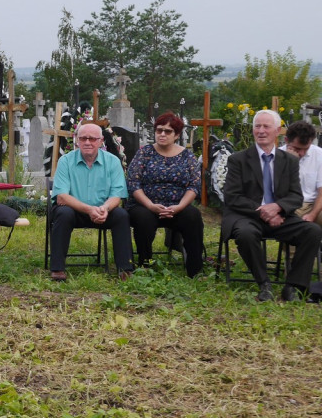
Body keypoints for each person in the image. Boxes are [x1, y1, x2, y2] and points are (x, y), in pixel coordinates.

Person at [222, 109, 322, 301]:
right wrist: (264, 211)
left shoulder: (289, 160)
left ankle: (293, 286)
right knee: (245, 234)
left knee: (312, 232)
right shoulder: (238, 159)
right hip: (247, 216)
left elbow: (295, 196)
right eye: (257, 126)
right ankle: (264, 284)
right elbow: (232, 196)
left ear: (277, 131)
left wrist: (277, 208)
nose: (261, 131)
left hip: (281, 216)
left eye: (266, 126)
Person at [49, 122, 133, 281]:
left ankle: (125, 268)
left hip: (103, 211)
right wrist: (89, 209)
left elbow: (117, 195)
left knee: (121, 215)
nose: (87, 142)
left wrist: (104, 209)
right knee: (63, 213)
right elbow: (61, 197)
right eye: (83, 138)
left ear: (101, 141)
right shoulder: (66, 161)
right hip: (73, 210)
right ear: (77, 141)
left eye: (92, 139)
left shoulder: (113, 162)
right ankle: (57, 268)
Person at [125, 111, 205, 277]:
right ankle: (144, 264)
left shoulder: (187, 156)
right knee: (144, 218)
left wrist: (180, 206)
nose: (162, 134)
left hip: (177, 206)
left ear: (176, 135)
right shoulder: (144, 153)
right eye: (159, 130)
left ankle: (195, 269)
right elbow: (133, 183)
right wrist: (150, 205)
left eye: (167, 131)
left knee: (193, 216)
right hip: (145, 204)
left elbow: (194, 186)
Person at [281, 120, 322, 227]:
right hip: (288, 204)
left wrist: (312, 215)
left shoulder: (319, 155)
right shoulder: (277, 156)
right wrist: (290, 163)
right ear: (286, 141)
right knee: (294, 223)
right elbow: (278, 192)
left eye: (306, 148)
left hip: (314, 204)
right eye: (297, 148)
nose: (302, 153)